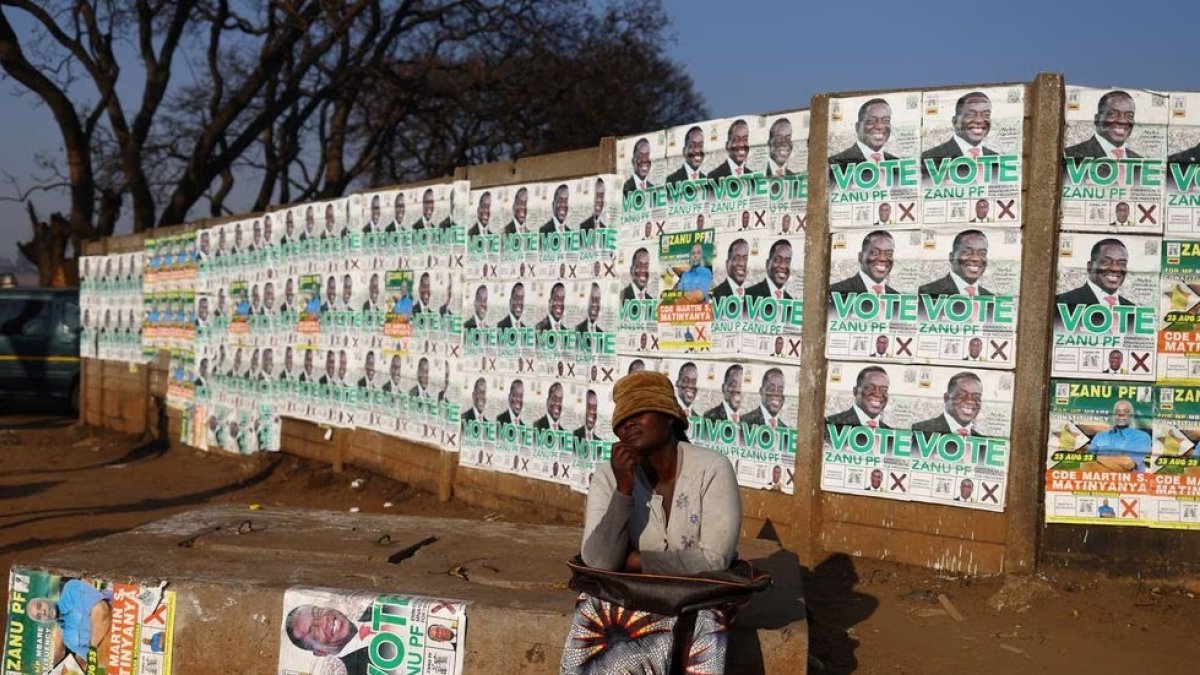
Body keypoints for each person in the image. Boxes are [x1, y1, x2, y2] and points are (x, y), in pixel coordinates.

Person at [565, 370, 741, 673]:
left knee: (707, 619)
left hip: (696, 596)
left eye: (639, 413)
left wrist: (634, 562)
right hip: (635, 596)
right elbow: (597, 561)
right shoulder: (609, 476)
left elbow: (714, 560)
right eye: (622, 420)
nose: (628, 423)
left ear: (669, 417)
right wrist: (624, 489)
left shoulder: (712, 468)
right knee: (594, 607)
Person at [27, 579, 113, 666]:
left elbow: (101, 610)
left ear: (45, 599)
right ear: (43, 622)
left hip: (122, 620)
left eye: (40, 606)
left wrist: (93, 647)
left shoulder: (71, 589)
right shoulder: (68, 639)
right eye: (39, 616)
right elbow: (98, 662)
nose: (43, 612)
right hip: (118, 655)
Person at [284, 603, 371, 672]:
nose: (324, 621)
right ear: (320, 652)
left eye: (318, 612)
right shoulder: (361, 671)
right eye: (314, 630)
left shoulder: (375, 607)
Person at [1054, 238, 1133, 311]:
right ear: (1090, 267)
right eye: (1106, 262)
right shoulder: (1063, 302)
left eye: (1122, 263)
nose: (1115, 268)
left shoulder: (1132, 309)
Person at [921, 91, 998, 161]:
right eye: (970, 115)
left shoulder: (997, 159)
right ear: (954, 122)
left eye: (986, 115)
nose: (979, 120)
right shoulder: (930, 157)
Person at [1065, 90, 1141, 159]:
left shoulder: (1140, 161)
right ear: (1097, 119)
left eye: (1129, 116)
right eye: (1113, 114)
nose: (1122, 121)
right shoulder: (1070, 155)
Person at [918, 229, 993, 299]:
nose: (975, 258)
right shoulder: (926, 292)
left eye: (982, 254)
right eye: (967, 252)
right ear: (952, 257)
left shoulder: (991, 297)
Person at [829, 98, 898, 171]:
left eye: (886, 120)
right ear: (857, 127)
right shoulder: (835, 165)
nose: (880, 126)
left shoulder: (898, 163)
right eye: (871, 121)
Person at [912, 372, 984, 437]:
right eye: (961, 395)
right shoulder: (921, 431)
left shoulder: (984, 442)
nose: (970, 401)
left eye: (976, 397)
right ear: (946, 398)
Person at [1088, 399, 1151, 472]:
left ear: (1132, 416)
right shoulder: (1099, 436)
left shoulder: (1142, 437)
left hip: (1130, 482)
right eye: (1117, 412)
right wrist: (1117, 460)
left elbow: (1128, 463)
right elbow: (1087, 462)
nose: (1121, 415)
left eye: (1126, 412)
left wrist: (1097, 458)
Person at [830, 230, 898, 296]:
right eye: (875, 253)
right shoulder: (835, 292)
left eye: (889, 254)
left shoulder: (898, 297)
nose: (883, 258)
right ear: (860, 257)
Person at [825, 366, 890, 429]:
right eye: (870, 388)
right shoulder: (830, 424)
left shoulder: (892, 433)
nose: (877, 394)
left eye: (884, 390)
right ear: (855, 391)